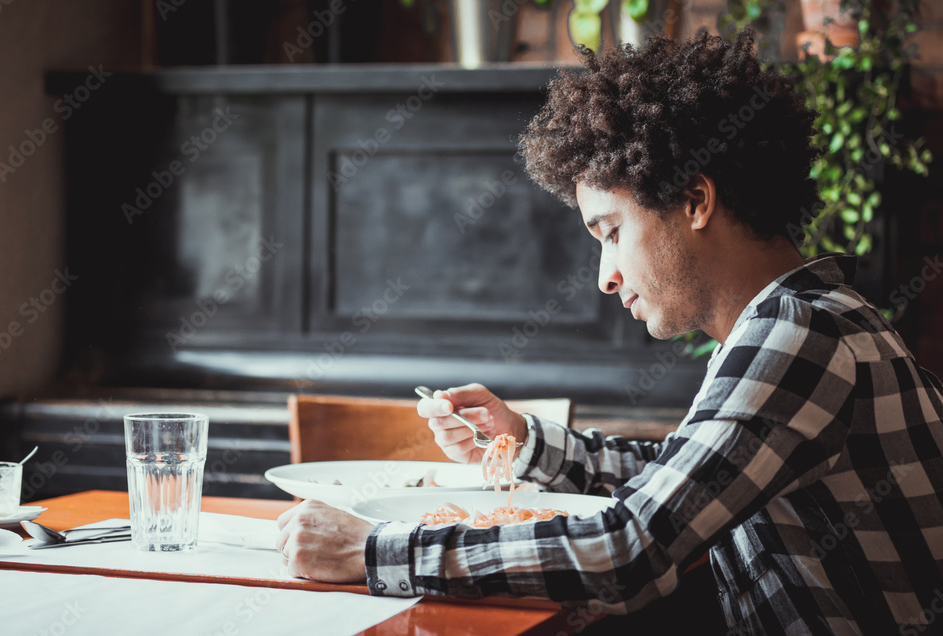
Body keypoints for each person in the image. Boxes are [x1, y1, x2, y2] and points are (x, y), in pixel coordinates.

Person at [275, 30, 943, 634]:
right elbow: (688, 478)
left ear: (695, 200)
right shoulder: (805, 315)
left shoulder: (798, 335)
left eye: (613, 233)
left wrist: (372, 550)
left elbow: (631, 550)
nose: (606, 277)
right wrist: (525, 443)